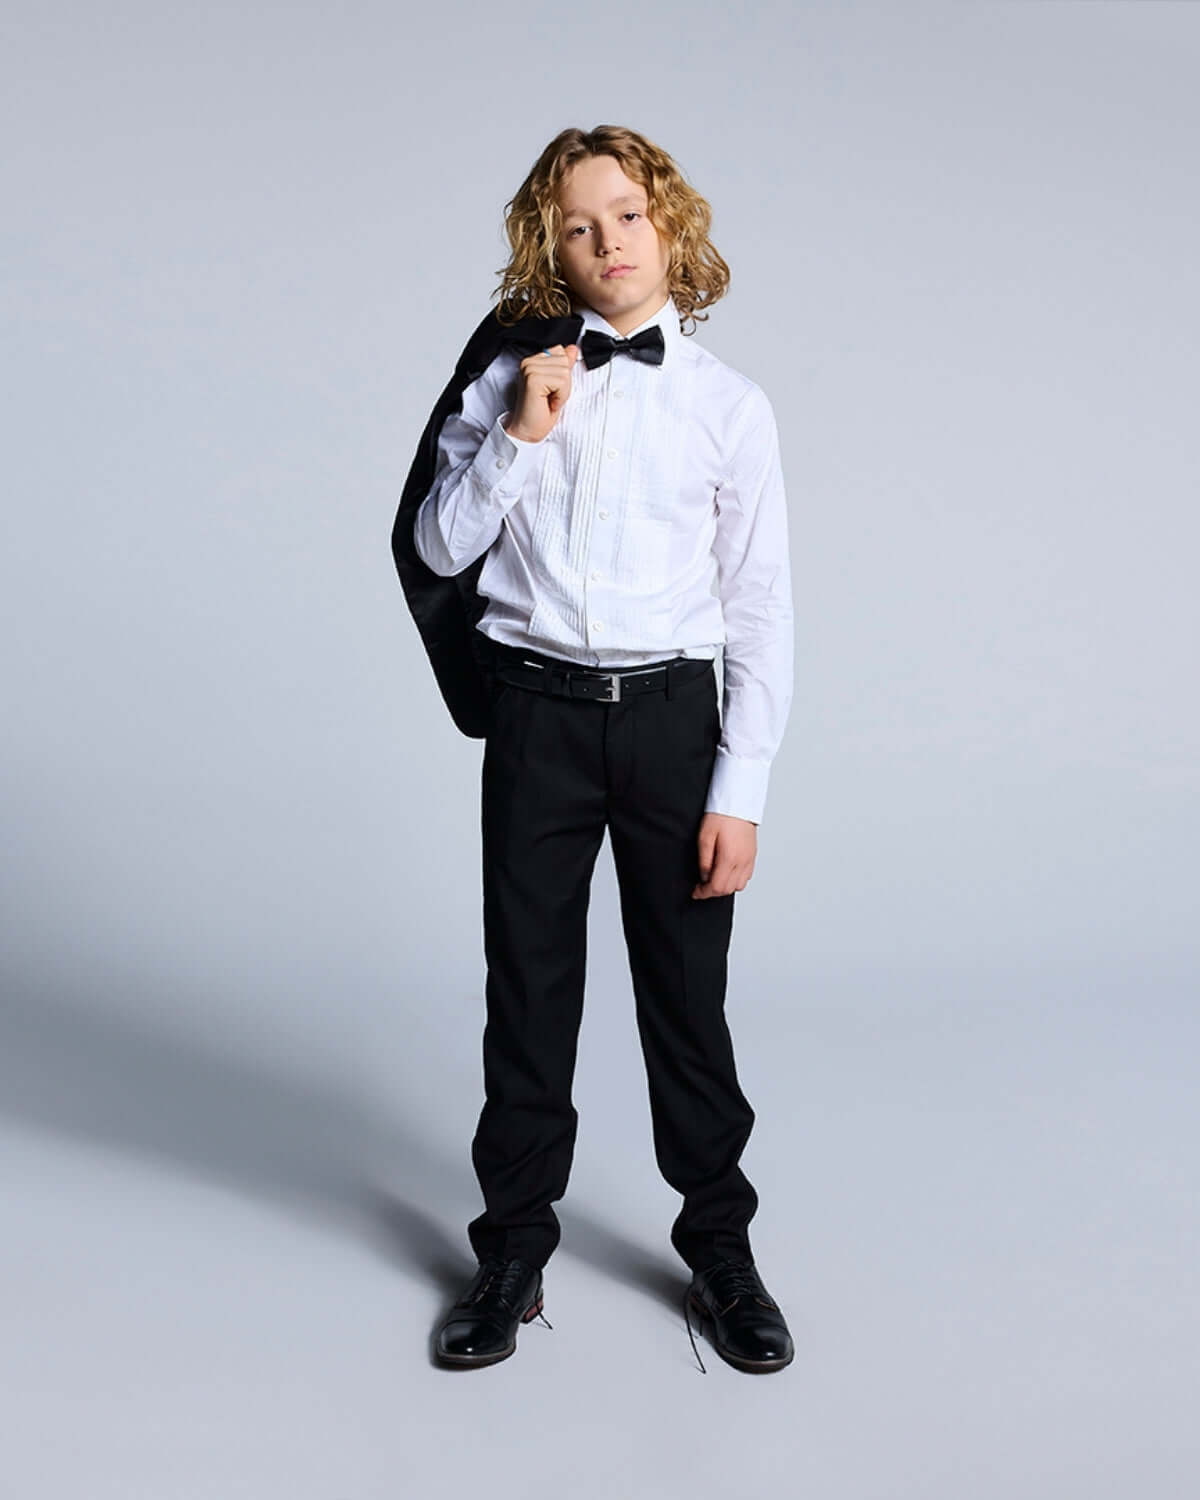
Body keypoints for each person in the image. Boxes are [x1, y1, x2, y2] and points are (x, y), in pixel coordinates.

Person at [397, 125, 794, 1374]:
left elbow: (761, 608)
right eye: (576, 226)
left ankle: (720, 1250)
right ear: (548, 251)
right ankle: (511, 1244)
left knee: (687, 1004)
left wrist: (743, 787)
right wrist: (520, 435)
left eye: (624, 214)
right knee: (529, 994)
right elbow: (438, 548)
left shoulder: (732, 409)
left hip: (676, 725)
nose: (605, 242)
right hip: (537, 720)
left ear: (668, 222)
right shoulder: (513, 378)